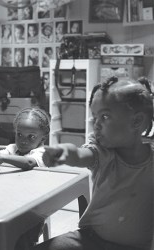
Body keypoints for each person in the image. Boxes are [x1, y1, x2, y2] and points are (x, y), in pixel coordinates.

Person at [35, 76, 154, 250]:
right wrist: (65, 152)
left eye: (105, 116)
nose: (96, 124)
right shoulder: (103, 151)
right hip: (90, 240)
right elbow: (81, 155)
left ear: (136, 121)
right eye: (95, 117)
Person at [0, 107, 51, 250]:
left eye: (31, 136)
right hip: (7, 203)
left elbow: (29, 163)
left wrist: (2, 158)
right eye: (19, 134)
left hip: (32, 210)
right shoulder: (12, 148)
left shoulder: (42, 152)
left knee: (21, 241)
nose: (23, 140)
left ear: (43, 138)